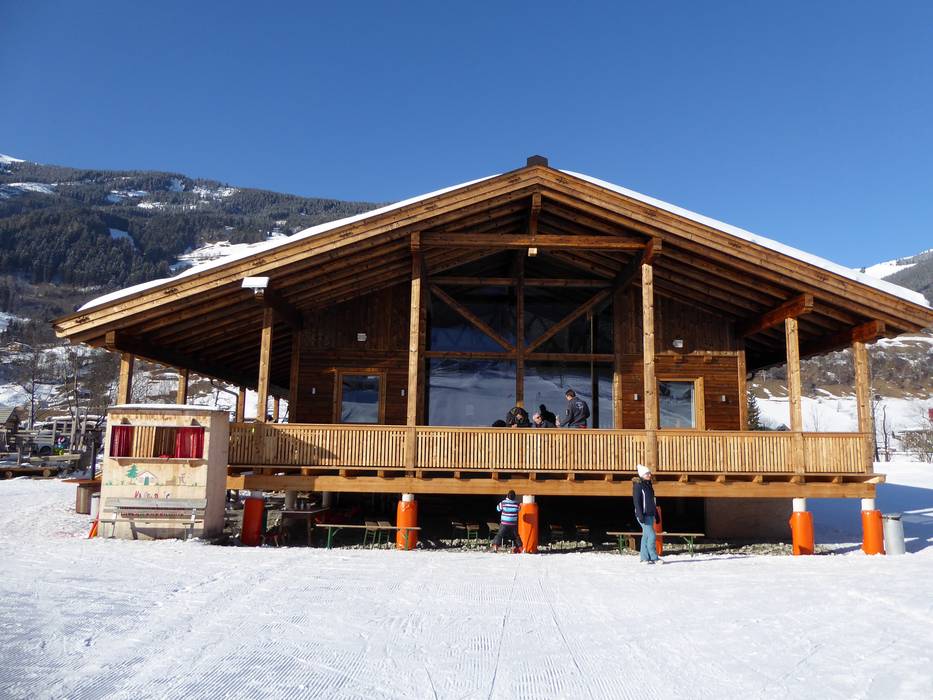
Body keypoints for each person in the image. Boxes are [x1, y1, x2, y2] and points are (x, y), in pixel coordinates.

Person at [632, 464, 662, 564]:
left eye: (649, 473)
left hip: (650, 515)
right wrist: (640, 515)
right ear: (642, 475)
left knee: (646, 536)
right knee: (652, 535)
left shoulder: (649, 486)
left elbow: (653, 501)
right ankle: (654, 557)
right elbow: (637, 502)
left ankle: (644, 558)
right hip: (643, 515)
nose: (649, 475)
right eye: (647, 474)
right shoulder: (638, 486)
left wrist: (656, 514)